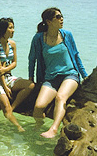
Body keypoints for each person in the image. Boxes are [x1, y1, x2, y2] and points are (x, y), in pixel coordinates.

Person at [28, 7, 88, 138]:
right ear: (48, 21)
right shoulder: (38, 38)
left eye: (62, 16)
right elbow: (32, 58)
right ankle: (39, 128)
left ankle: (54, 129)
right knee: (38, 107)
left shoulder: (67, 35)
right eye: (58, 17)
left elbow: (76, 56)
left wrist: (85, 76)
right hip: (50, 78)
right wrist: (31, 78)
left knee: (60, 97)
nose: (62, 19)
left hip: (70, 75)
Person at [0, 18, 35, 132]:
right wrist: (5, 87)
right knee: (5, 107)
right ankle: (18, 127)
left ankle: (13, 108)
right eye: (10, 28)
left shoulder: (12, 44)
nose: (13, 30)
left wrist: (5, 69)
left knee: (30, 85)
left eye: (13, 27)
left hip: (8, 76)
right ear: (2, 30)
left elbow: (14, 63)